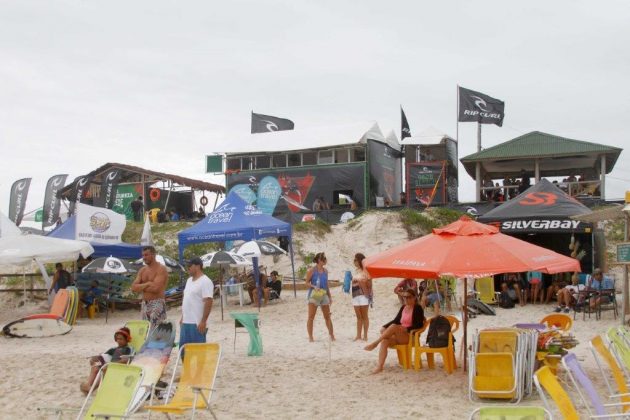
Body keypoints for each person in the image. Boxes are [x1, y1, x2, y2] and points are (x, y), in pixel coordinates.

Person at [364, 288, 424, 374]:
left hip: (410, 336)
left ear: (414, 298)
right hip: (399, 335)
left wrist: (407, 329)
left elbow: (420, 324)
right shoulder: (403, 307)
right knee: (385, 341)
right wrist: (384, 327)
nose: (406, 299)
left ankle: (375, 343)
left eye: (409, 297)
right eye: (404, 297)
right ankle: (380, 366)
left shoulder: (418, 308)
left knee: (394, 327)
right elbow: (396, 320)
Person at [80, 327, 133, 394]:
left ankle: (92, 388)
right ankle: (89, 385)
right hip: (110, 366)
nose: (118, 341)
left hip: (119, 368)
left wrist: (110, 365)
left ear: (127, 339)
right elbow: (103, 356)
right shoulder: (114, 349)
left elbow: (126, 360)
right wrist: (94, 358)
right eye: (117, 339)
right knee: (95, 366)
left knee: (104, 369)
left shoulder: (127, 349)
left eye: (121, 339)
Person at [180, 257, 214, 350]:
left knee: (198, 352)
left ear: (198, 266)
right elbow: (186, 299)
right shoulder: (189, 281)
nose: (188, 268)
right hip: (186, 322)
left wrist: (203, 321)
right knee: (183, 351)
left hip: (197, 323)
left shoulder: (205, 281)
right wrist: (182, 317)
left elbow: (209, 301)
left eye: (190, 266)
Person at [131, 246, 168, 330]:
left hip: (157, 303)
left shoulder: (161, 269)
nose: (144, 258)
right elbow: (133, 288)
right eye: (143, 255)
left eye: (146, 255)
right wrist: (148, 284)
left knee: (157, 331)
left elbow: (156, 289)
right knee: (145, 330)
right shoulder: (142, 270)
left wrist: (141, 287)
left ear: (153, 255)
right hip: (145, 304)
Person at [306, 252, 335, 342]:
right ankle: (311, 337)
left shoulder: (325, 271)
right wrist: (314, 286)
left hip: (324, 294)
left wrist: (330, 297)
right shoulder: (312, 270)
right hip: (315, 294)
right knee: (311, 317)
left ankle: (332, 335)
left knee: (327, 316)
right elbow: (306, 283)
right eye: (324, 259)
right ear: (319, 260)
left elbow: (326, 284)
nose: (326, 260)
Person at [351, 253, 372, 341]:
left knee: (364, 316)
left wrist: (361, 282)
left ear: (360, 260)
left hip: (363, 295)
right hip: (355, 295)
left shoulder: (366, 271)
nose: (354, 262)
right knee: (358, 317)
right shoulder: (356, 271)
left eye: (355, 260)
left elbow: (369, 284)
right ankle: (358, 335)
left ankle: (365, 335)